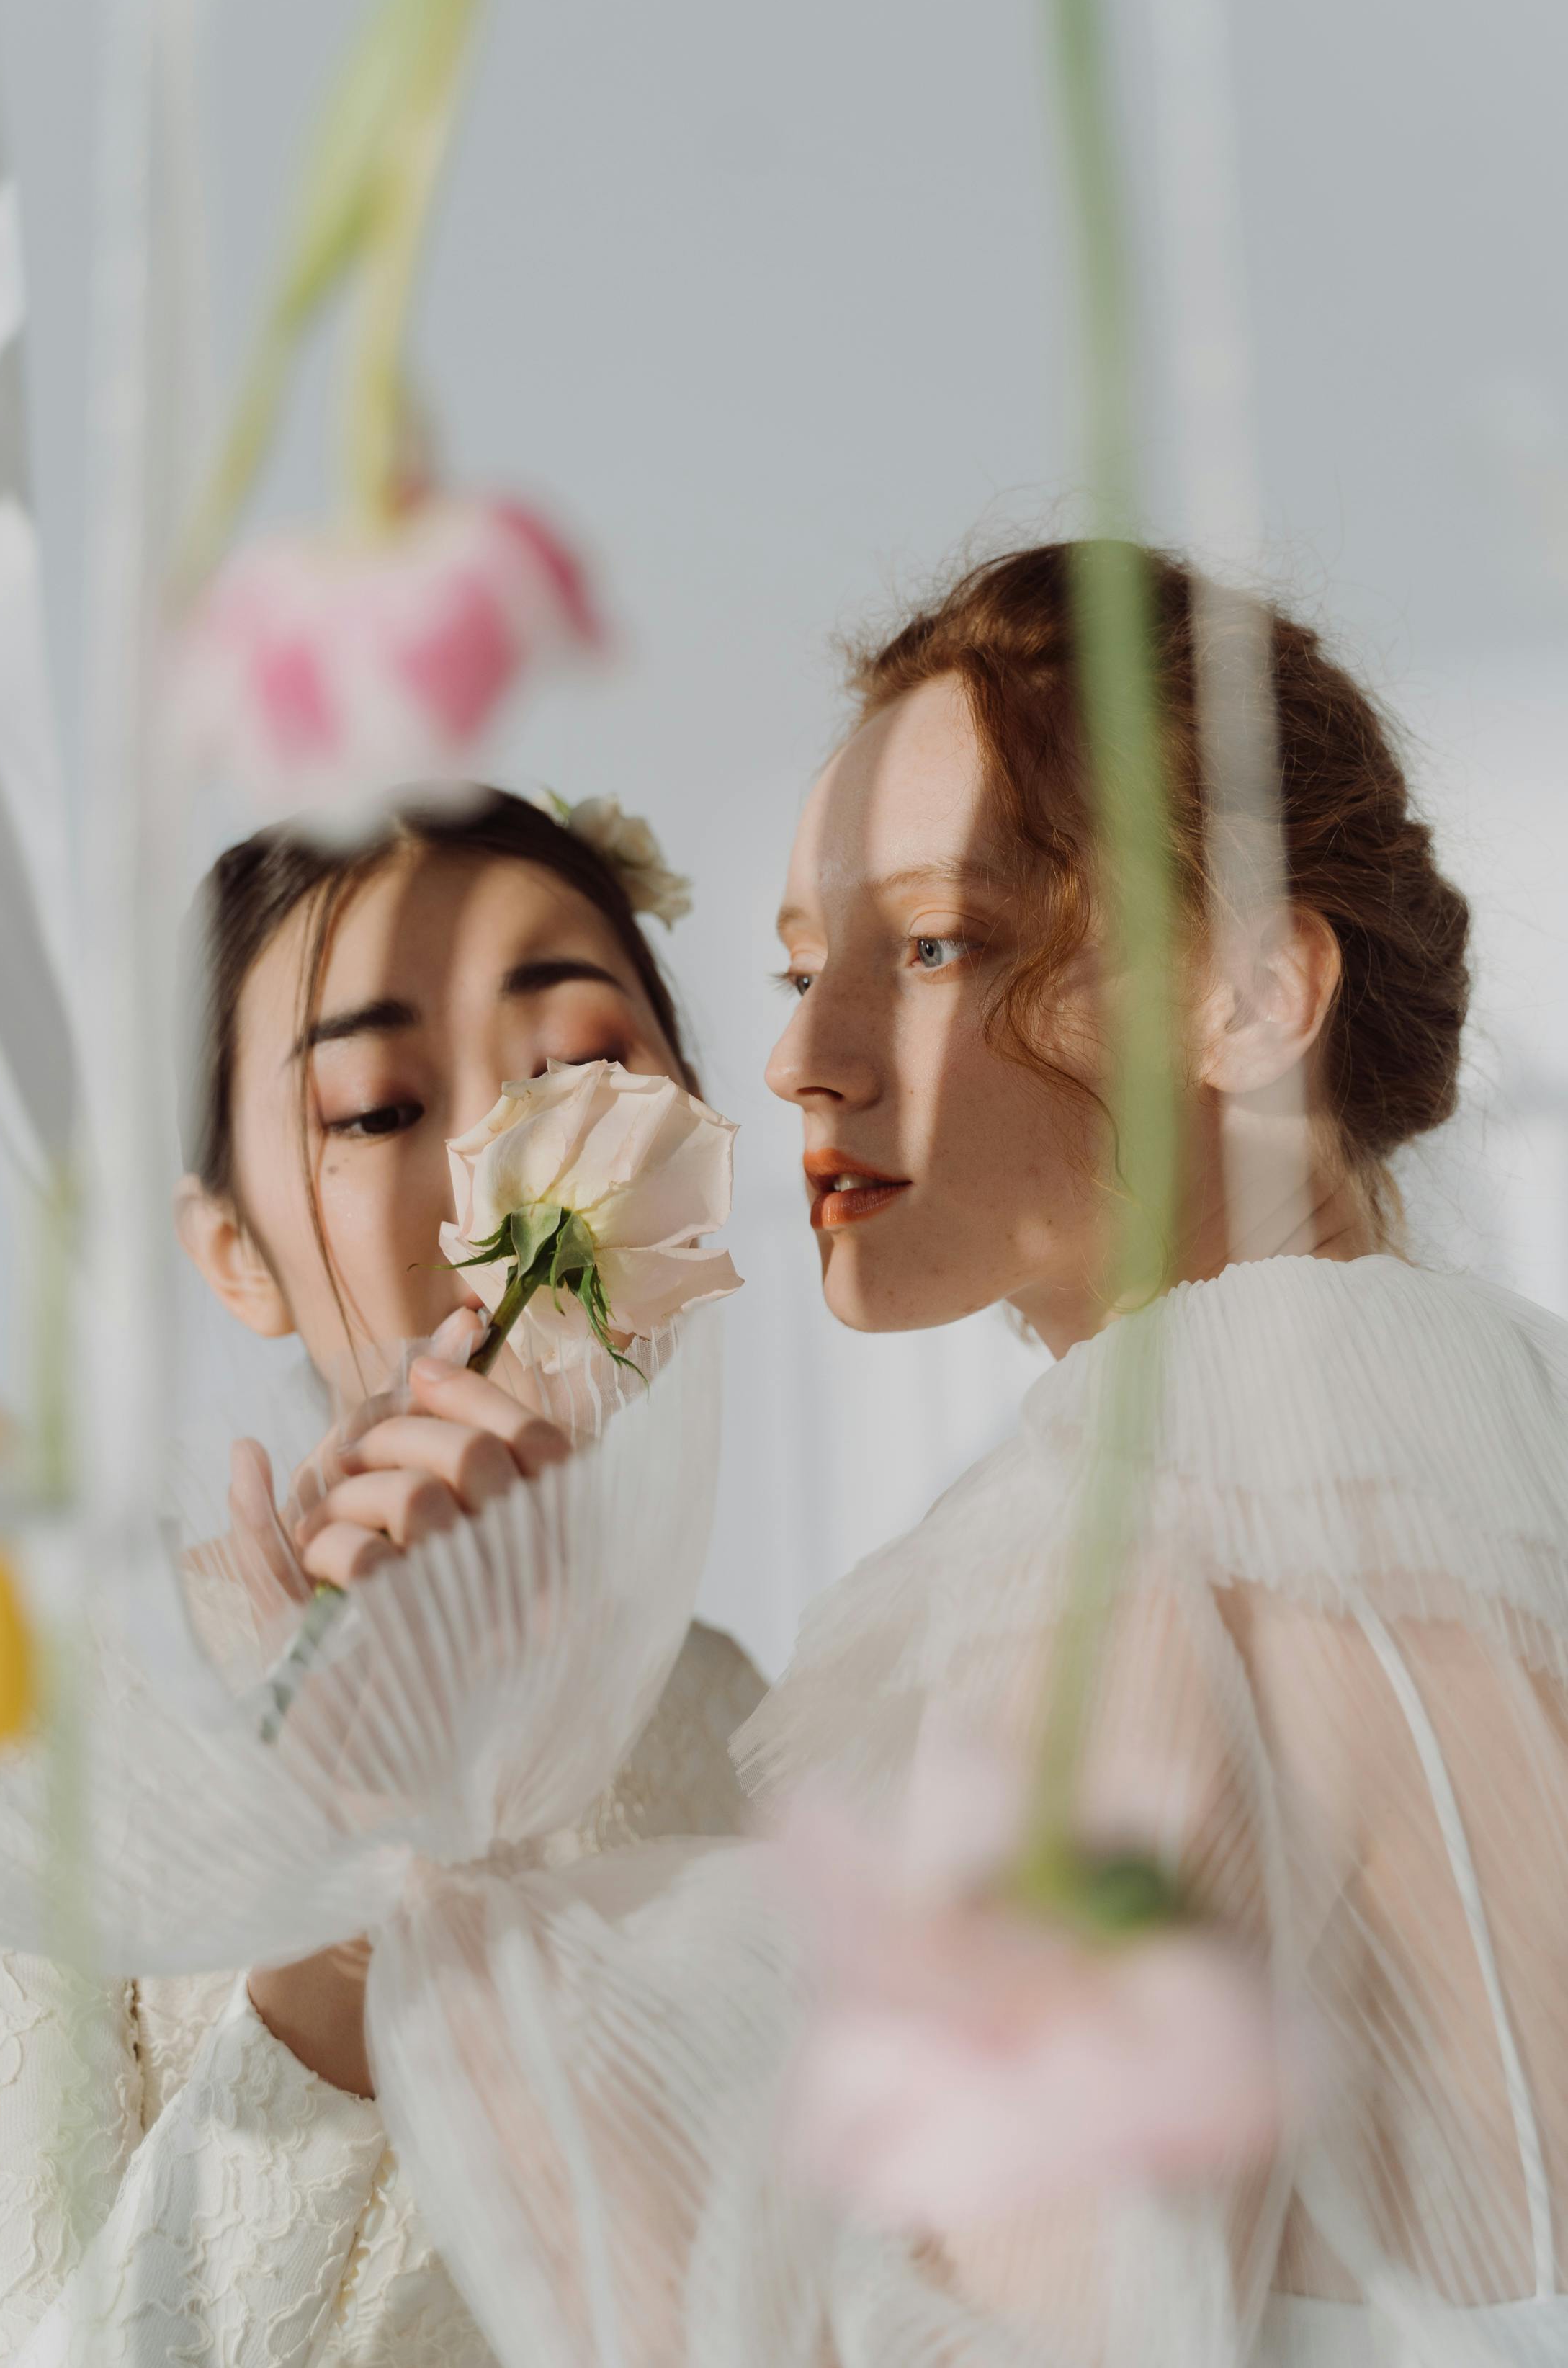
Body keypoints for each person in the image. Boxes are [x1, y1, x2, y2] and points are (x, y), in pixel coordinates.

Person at [385, 545, 1568, 2367]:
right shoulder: (1478, 1485)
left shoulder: (1143, 1562)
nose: (798, 1057)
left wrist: (451, 1911)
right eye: (798, 966)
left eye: (936, 944)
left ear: (1255, 998)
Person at [0, 788, 763, 2367]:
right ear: (234, 1253)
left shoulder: (730, 1717)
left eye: (581, 1071)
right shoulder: (49, 1717)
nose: (505, 1163)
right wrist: (336, 1932)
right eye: (376, 1107)